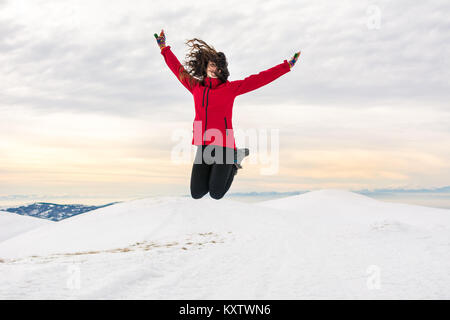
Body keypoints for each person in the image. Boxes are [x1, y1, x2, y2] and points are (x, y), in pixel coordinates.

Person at [154, 29, 300, 200]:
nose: (213, 68)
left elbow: (259, 79)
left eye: (217, 66)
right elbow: (177, 69)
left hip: (225, 146)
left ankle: (235, 160)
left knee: (216, 193)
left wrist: (286, 66)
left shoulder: (229, 89)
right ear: (205, 65)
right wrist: (164, 48)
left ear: (222, 70)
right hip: (203, 145)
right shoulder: (196, 87)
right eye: (211, 64)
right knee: (197, 193)